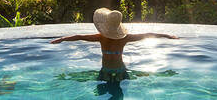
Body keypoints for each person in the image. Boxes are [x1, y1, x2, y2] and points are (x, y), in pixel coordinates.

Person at [50, 8, 178, 83]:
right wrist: (166, 35)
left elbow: (79, 37)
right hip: (120, 71)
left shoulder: (100, 37)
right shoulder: (124, 38)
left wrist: (62, 39)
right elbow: (147, 34)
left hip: (106, 71)